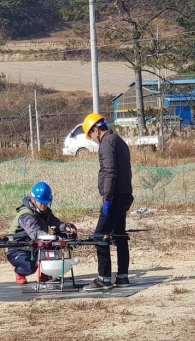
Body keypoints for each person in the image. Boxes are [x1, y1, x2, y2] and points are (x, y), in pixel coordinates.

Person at [81, 113, 134, 291]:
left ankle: (103, 278)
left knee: (100, 236)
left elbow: (110, 172)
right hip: (125, 195)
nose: (93, 140)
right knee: (119, 236)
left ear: (95, 129)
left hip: (115, 197)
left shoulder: (106, 143)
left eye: (91, 136)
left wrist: (108, 198)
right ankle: (122, 277)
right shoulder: (118, 140)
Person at [6, 181, 77, 285]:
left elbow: (56, 223)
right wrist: (52, 237)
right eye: (41, 203)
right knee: (30, 267)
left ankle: (44, 273)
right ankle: (19, 272)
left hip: (34, 248)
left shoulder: (45, 212)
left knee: (53, 250)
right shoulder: (26, 215)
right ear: (33, 200)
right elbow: (35, 234)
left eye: (46, 203)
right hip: (16, 250)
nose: (44, 205)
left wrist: (66, 227)